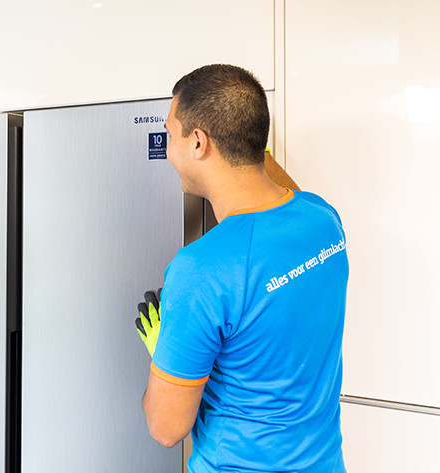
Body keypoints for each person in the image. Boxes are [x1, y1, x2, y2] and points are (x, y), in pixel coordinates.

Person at [136, 64, 348, 472]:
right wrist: (245, 139)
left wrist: (167, 350)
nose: (168, 148)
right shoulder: (324, 220)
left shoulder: (201, 269)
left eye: (170, 133)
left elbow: (165, 428)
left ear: (198, 142)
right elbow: (282, 191)